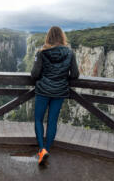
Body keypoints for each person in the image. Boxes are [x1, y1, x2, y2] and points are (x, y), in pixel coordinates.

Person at [31, 26, 79, 165]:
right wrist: (62, 79)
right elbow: (75, 75)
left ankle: (42, 150)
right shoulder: (70, 53)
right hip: (59, 92)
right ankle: (46, 149)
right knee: (52, 122)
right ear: (62, 37)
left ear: (48, 37)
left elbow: (34, 74)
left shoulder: (41, 53)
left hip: (43, 91)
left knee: (38, 120)